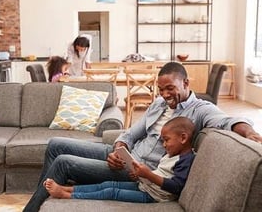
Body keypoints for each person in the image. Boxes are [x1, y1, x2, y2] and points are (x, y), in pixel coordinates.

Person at [23, 62, 262, 212]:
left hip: (137, 169)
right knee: (55, 144)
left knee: (64, 162)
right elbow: (131, 132)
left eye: (171, 88)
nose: (165, 94)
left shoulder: (200, 109)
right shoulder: (158, 104)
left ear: (186, 83)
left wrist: (249, 132)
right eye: (161, 89)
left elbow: (227, 121)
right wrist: (119, 147)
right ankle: (43, 199)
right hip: (122, 156)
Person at [44, 116, 195, 203]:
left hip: (153, 196)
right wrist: (141, 176)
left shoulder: (186, 159)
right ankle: (68, 188)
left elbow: (176, 186)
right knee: (108, 184)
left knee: (111, 192)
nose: (163, 144)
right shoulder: (171, 154)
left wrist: (148, 174)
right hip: (146, 186)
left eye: (166, 140)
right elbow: (162, 173)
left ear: (183, 138)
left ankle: (67, 195)